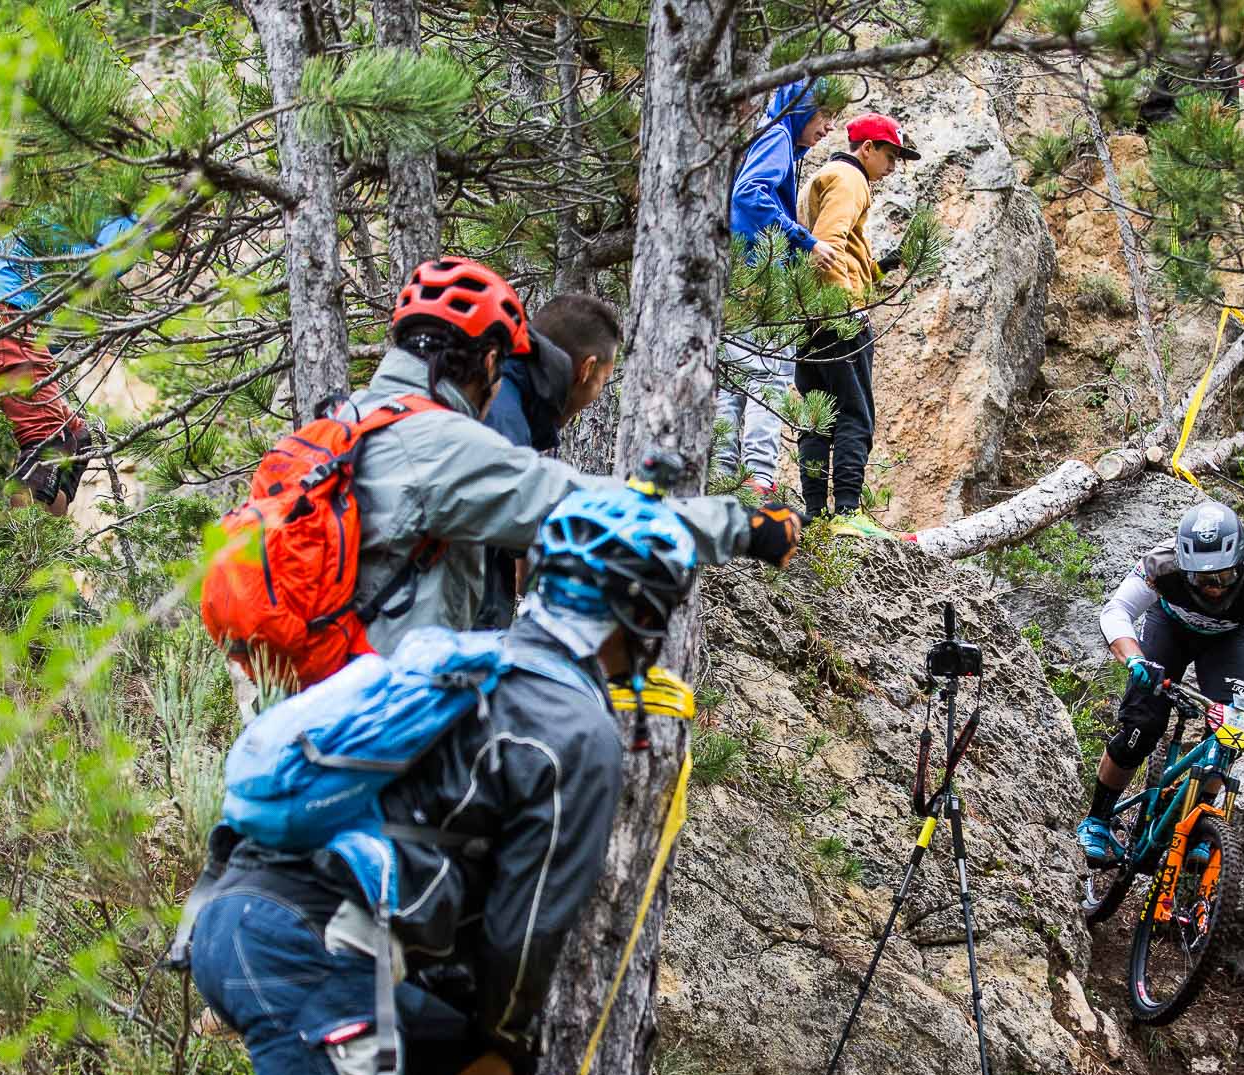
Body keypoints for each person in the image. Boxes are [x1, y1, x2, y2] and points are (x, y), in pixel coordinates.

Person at [187, 485, 703, 1075]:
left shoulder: (463, 654)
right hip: (317, 952)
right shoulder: (577, 723)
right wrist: (515, 1018)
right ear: (641, 612)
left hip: (242, 908)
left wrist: (495, 1041)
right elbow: (527, 927)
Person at [346, 256, 800, 652]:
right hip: (389, 720)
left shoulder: (346, 421)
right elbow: (587, 509)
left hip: (312, 701)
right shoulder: (445, 445)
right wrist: (743, 527)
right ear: (489, 363)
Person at [1076, 502, 1244, 868]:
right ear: (1184, 569)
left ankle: (1199, 816)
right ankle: (1098, 819)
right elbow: (1116, 611)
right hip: (1168, 629)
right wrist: (1135, 658)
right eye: (1201, 579)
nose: (1214, 587)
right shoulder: (1162, 564)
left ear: (1241, 563)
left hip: (1229, 641)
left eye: (1223, 577)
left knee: (1231, 732)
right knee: (1141, 726)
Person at [794, 112, 918, 533]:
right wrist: (847, 308)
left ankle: (814, 513)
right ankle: (847, 512)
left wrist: (879, 267)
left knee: (817, 414)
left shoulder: (827, 177)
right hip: (838, 317)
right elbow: (827, 245)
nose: (893, 167)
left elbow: (838, 250)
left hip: (808, 316)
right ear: (867, 148)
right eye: (890, 156)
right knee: (855, 415)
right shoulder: (851, 181)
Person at [0, 212, 139, 516]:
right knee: (48, 444)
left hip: (13, 311)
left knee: (77, 438)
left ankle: (44, 539)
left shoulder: (103, 214)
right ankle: (20, 552)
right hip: (6, 312)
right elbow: (81, 274)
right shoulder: (120, 222)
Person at [478, 291, 623, 628]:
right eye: (604, 380)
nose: (597, 391)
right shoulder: (504, 420)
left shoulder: (505, 399)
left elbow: (521, 564)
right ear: (586, 370)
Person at [717, 79, 833, 499]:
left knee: (732, 382)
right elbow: (748, 193)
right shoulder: (779, 138)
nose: (829, 128)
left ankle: (722, 475)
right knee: (770, 376)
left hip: (739, 275)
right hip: (762, 276)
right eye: (825, 116)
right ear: (803, 109)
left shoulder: (770, 135)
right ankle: (760, 479)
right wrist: (806, 240)